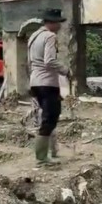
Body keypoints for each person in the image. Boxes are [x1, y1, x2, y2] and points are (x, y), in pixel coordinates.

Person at [28, 9, 70, 165]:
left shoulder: (34, 36)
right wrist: (65, 70)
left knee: (46, 117)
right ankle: (41, 158)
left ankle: (50, 152)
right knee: (50, 118)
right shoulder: (50, 36)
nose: (60, 26)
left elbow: (30, 61)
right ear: (52, 22)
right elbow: (49, 60)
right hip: (47, 82)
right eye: (58, 22)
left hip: (35, 81)